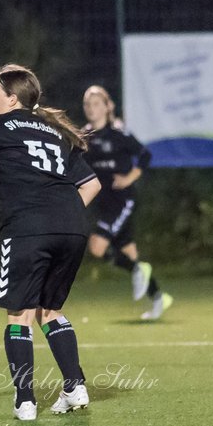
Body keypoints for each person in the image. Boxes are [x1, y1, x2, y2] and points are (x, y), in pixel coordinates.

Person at [0, 64, 101, 421]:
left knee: (20, 315)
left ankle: (25, 401)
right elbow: (92, 185)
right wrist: (62, 214)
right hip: (73, 229)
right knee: (50, 311)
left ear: (12, 98)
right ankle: (74, 387)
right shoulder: (56, 130)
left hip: (28, 229)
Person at [81, 85, 174, 321]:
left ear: (106, 106)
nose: (91, 109)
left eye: (96, 104)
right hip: (103, 203)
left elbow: (145, 155)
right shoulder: (85, 135)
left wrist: (130, 177)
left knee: (97, 247)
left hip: (122, 201)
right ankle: (158, 299)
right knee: (130, 255)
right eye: (87, 105)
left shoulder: (118, 132)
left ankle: (138, 271)